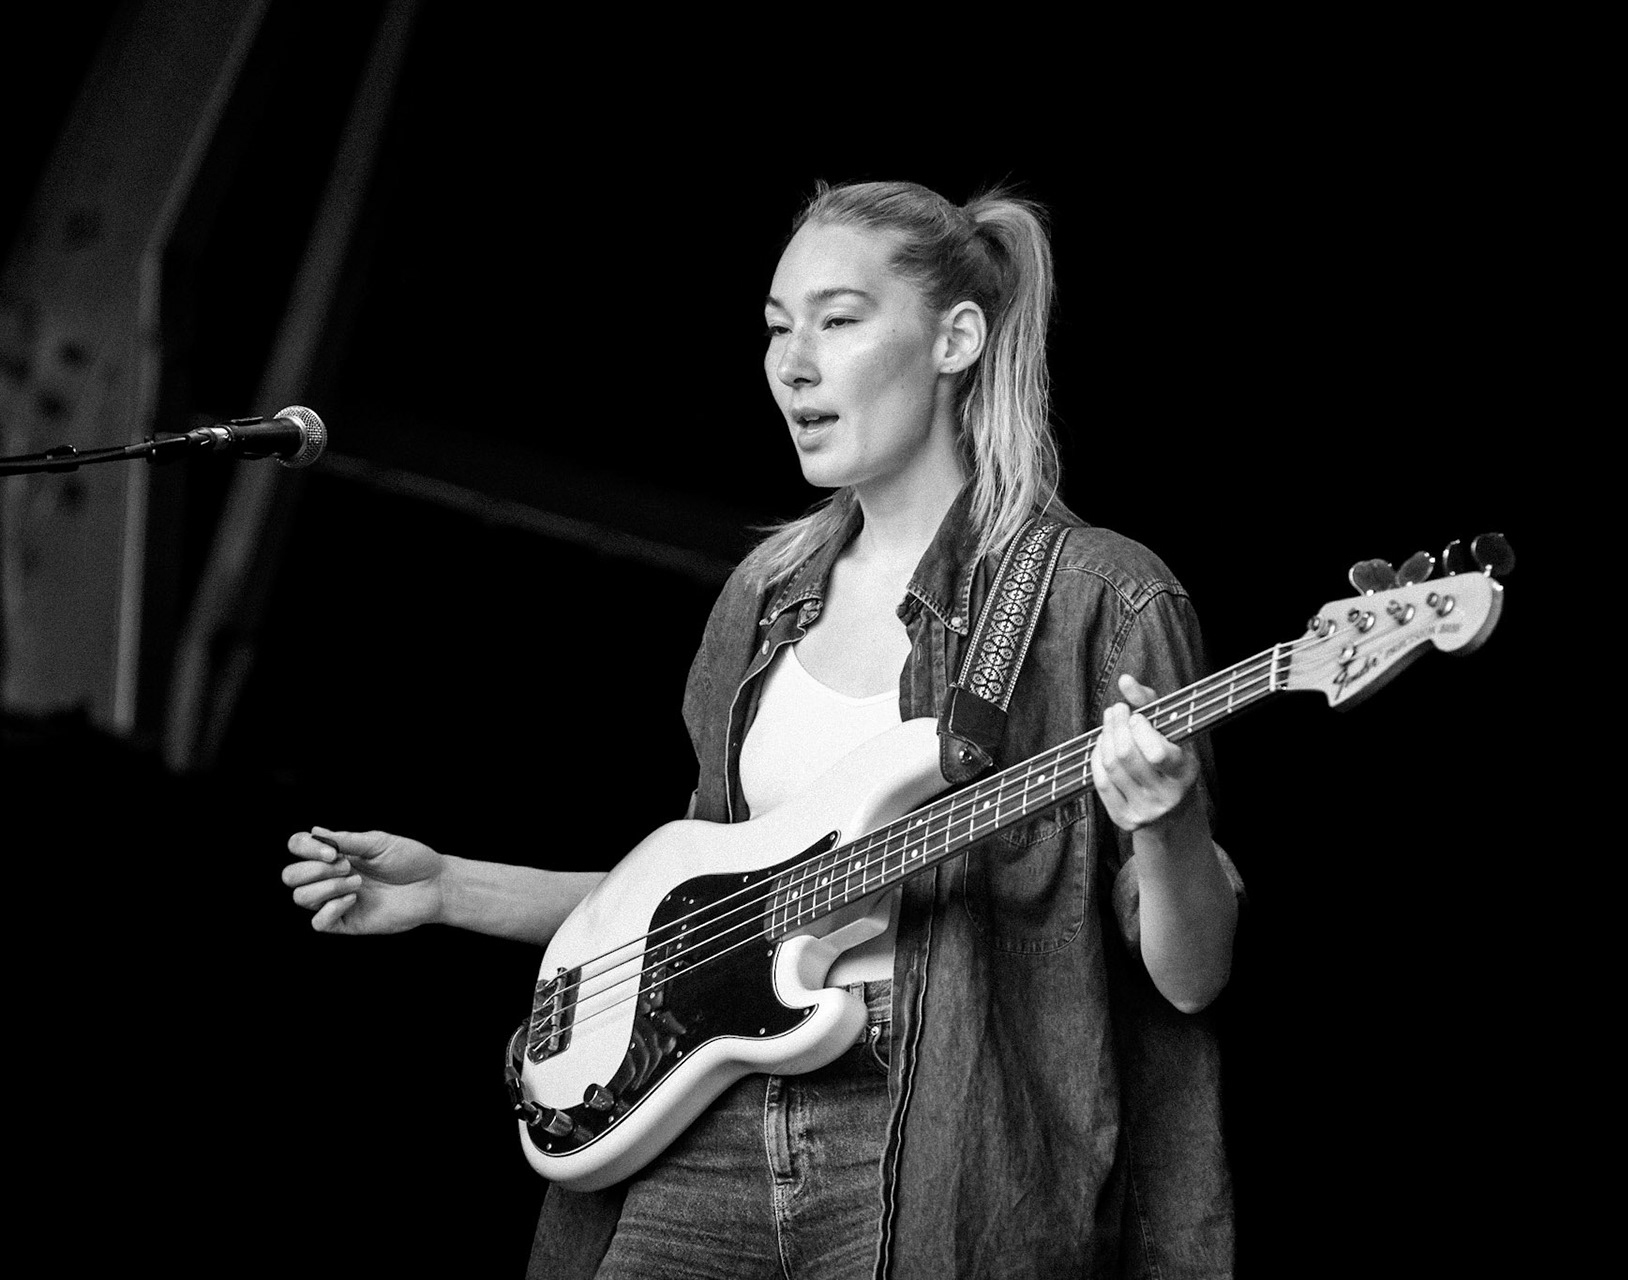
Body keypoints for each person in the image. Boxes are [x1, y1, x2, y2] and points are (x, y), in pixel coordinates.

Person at [283, 179, 1242, 1278]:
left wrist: (1166, 826)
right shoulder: (764, 593)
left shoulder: (1099, 595)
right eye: (779, 329)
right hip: (706, 1133)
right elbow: (695, 908)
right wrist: (449, 886)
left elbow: (1191, 976)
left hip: (932, 1143)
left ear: (956, 339)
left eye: (838, 321)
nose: (794, 365)